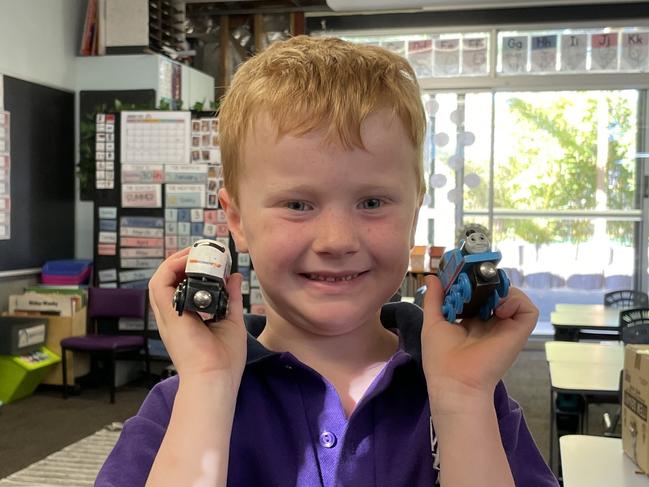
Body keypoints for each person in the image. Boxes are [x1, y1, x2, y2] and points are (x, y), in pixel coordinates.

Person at [96, 36, 558, 486]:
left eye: (373, 202)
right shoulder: (180, 406)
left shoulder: (475, 393)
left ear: (415, 210)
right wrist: (209, 389)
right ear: (236, 218)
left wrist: (462, 400)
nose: (337, 241)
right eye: (298, 205)